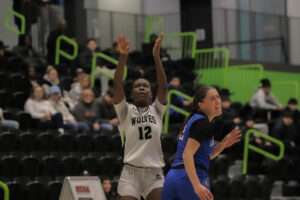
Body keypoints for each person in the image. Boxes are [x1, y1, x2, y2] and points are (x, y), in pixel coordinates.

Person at [162, 86, 242, 200]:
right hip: (190, 178)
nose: (218, 101)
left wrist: (223, 144)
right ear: (201, 105)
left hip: (173, 178)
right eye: (212, 99)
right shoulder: (202, 123)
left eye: (218, 97)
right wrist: (196, 184)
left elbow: (203, 156)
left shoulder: (195, 120)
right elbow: (187, 154)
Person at [113, 33, 167, 200]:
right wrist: (123, 56)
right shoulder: (125, 111)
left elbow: (163, 86)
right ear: (132, 93)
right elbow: (117, 82)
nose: (142, 88)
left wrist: (156, 57)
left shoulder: (157, 110)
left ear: (151, 94)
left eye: (145, 86)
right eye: (138, 86)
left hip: (155, 172)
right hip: (131, 172)